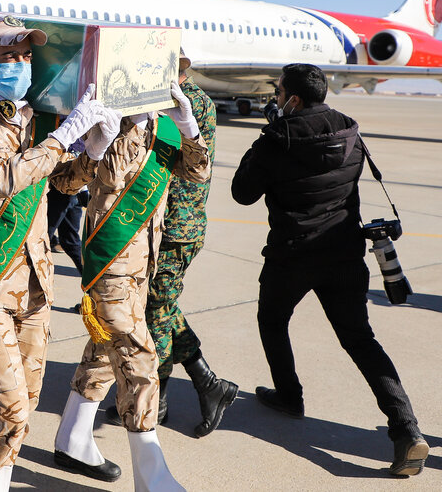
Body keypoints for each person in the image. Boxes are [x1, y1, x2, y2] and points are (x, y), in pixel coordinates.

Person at [231, 63, 428, 477]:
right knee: (361, 341)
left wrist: (260, 141)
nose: (275, 98)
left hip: (292, 256)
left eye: (279, 91)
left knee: (272, 320)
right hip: (343, 254)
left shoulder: (277, 138)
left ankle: (289, 394)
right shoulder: (347, 130)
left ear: (294, 99)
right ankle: (407, 430)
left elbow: (241, 193)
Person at [0, 15, 108, 491]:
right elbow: (2, 178)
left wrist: (90, 153)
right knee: (8, 408)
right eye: (7, 56)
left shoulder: (33, 116)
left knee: (28, 402)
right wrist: (61, 139)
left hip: (35, 279)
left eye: (25, 56)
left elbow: (60, 183)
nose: (19, 64)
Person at [50, 83, 210, 490]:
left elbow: (196, 174)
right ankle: (151, 474)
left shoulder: (167, 124)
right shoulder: (107, 112)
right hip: (110, 258)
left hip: (144, 261)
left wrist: (189, 128)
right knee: (139, 358)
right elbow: (64, 185)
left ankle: (73, 437)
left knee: (105, 351)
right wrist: (95, 146)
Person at [105, 49, 237, 437]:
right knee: (161, 308)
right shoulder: (188, 97)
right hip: (169, 224)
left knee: (155, 316)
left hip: (176, 228)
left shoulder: (186, 102)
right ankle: (208, 383)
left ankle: (156, 402)